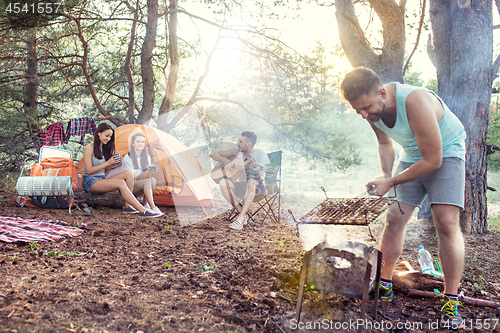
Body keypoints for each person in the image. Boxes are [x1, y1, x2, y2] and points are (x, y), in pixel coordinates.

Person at [340, 67, 466, 329]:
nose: (364, 115)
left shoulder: (415, 101)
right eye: (358, 111)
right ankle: (384, 284)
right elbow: (385, 143)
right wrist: (386, 176)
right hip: (411, 154)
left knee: (445, 222)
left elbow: (433, 159)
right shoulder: (370, 108)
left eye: (367, 107)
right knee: (394, 217)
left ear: (382, 92)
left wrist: (393, 181)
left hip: (447, 152)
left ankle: (452, 299)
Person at [82, 123, 161, 218]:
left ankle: (127, 206)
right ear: (99, 133)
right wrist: (108, 162)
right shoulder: (89, 148)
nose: (108, 139)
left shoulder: (104, 148)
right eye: (106, 136)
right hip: (90, 181)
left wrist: (112, 163)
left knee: (129, 173)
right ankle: (143, 210)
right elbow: (89, 170)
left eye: (110, 137)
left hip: (101, 179)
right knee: (121, 183)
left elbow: (105, 171)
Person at [210, 131, 270, 230]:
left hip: (257, 188)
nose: (238, 143)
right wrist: (225, 161)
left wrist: (256, 173)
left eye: (240, 141)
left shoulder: (260, 154)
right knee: (223, 183)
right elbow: (213, 154)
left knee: (251, 181)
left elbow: (262, 178)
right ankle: (243, 213)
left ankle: (239, 219)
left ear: (249, 144)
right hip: (242, 186)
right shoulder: (237, 151)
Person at [118, 132, 163, 216]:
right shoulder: (128, 158)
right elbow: (133, 177)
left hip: (139, 186)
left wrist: (150, 172)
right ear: (133, 144)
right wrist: (146, 175)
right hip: (128, 189)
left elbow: (146, 176)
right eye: (138, 141)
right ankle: (153, 207)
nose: (140, 144)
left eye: (142, 142)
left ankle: (145, 204)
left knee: (152, 180)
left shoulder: (146, 157)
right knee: (147, 181)